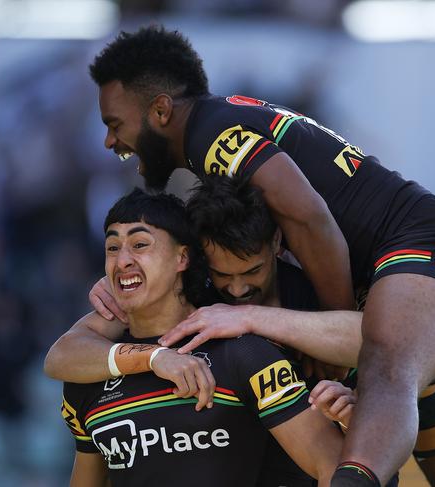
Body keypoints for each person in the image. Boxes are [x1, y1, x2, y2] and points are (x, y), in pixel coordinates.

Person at [84, 25, 435, 486]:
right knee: (416, 385)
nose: (111, 141)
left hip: (433, 244)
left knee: (386, 366)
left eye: (114, 124)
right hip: (428, 250)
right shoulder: (222, 123)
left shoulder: (211, 134)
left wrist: (333, 338)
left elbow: (311, 218)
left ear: (161, 110)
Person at [61, 187, 344, 487]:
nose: (123, 261)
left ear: (182, 257)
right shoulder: (90, 374)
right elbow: (58, 356)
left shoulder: (246, 354)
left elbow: (333, 466)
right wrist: (154, 357)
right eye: (112, 248)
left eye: (140, 244)